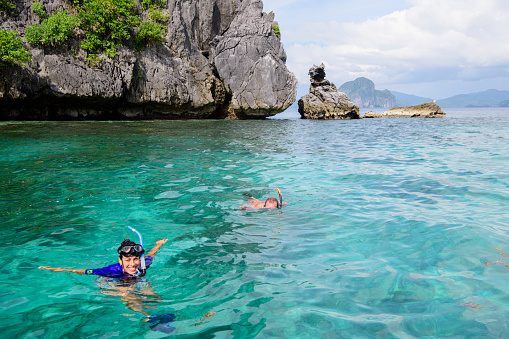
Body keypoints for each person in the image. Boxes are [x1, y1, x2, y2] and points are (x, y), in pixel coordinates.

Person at [39, 238, 168, 279]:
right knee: (128, 295)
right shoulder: (112, 269)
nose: (132, 264)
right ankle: (146, 317)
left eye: (135, 259)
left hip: (134, 282)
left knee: (153, 295)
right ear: (120, 261)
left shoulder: (142, 265)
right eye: (127, 260)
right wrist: (61, 270)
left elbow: (150, 255)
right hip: (113, 284)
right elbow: (89, 271)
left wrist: (158, 245)